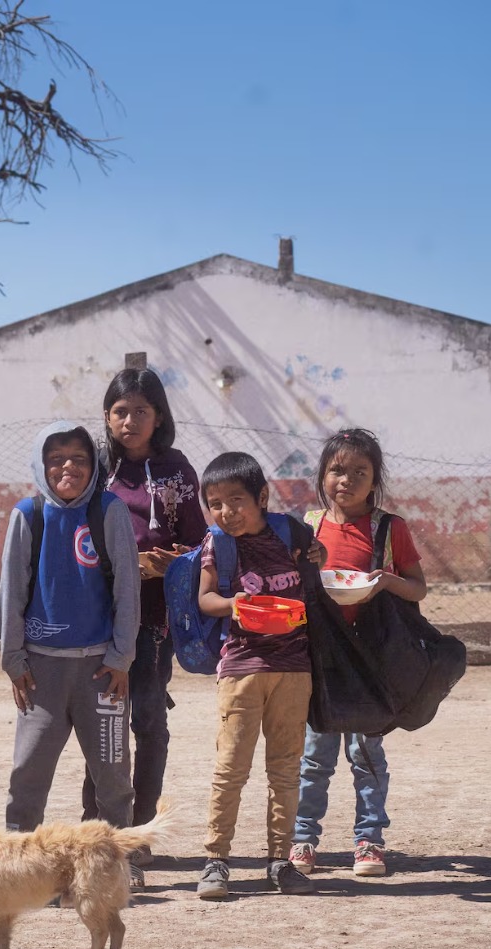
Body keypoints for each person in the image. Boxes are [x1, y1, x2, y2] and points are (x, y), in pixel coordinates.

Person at [0, 423, 143, 886]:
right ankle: (20, 864)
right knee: (28, 772)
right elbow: (11, 591)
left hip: (102, 671)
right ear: (41, 466)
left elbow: (127, 587)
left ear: (94, 465)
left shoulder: (109, 510)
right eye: (56, 459)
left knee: (113, 775)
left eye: (79, 459)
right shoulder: (29, 514)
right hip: (40, 671)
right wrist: (13, 660)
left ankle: (116, 863)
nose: (68, 467)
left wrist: (121, 657)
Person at [82, 367, 206, 861]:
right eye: (120, 411)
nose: (129, 421)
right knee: (102, 722)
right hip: (97, 617)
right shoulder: (94, 470)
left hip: (154, 621)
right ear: (107, 416)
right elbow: (77, 536)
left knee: (148, 719)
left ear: (159, 417)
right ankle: (97, 829)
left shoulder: (177, 471)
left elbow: (200, 544)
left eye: (141, 411)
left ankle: (140, 831)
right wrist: (124, 564)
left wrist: (171, 561)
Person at [292, 428, 428, 878]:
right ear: (322, 475)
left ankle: (369, 841)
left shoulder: (390, 528)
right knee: (315, 755)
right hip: (322, 659)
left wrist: (385, 580)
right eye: (337, 470)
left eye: (359, 472)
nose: (346, 480)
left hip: (371, 659)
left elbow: (418, 588)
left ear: (374, 479)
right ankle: (303, 838)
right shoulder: (308, 526)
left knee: (367, 754)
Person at [194, 452, 318, 900]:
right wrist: (233, 604)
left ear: (262, 497)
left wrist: (319, 554)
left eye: (236, 500)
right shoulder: (218, 544)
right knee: (231, 768)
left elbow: (316, 569)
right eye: (215, 504)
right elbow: (205, 598)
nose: (226, 511)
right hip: (242, 670)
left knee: (285, 768)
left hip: (294, 668)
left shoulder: (290, 533)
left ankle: (280, 861)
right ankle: (216, 860)